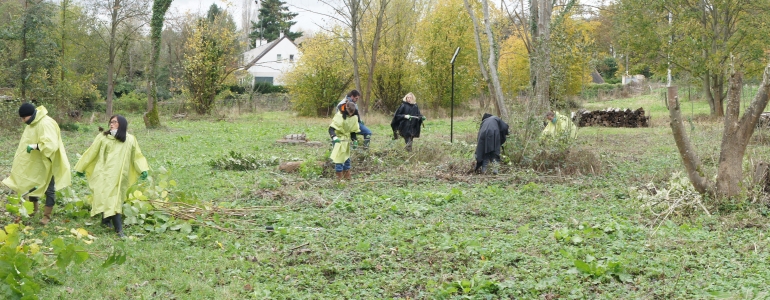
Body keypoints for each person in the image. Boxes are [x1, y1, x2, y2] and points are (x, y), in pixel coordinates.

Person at [74, 115, 149, 238]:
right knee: (110, 199)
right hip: (104, 174)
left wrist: (143, 169)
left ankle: (106, 220)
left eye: (115, 122)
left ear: (122, 124)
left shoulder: (130, 139)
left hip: (120, 176)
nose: (111, 124)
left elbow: (137, 155)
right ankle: (119, 230)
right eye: (111, 122)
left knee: (114, 199)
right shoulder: (103, 137)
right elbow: (92, 152)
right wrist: (81, 166)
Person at [2, 103, 71, 225]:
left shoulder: (46, 123)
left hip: (47, 162)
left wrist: (35, 146)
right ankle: (34, 209)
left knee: (49, 189)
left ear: (31, 114)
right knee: (32, 183)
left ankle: (46, 216)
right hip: (36, 162)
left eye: (24, 118)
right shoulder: (32, 123)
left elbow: (51, 145)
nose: (23, 121)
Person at [329, 101, 361, 181]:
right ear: (346, 108)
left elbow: (353, 131)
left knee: (347, 158)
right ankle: (339, 179)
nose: (350, 114)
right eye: (349, 112)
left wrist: (354, 140)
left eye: (352, 112)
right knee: (339, 159)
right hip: (338, 140)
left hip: (346, 140)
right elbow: (331, 129)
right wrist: (334, 137)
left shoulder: (354, 117)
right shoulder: (339, 116)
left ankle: (347, 176)